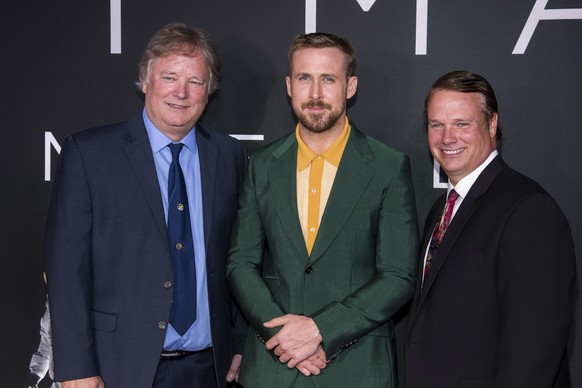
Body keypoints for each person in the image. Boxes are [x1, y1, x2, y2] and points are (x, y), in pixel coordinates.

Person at [45, 22, 247, 388]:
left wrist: (241, 342)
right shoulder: (89, 154)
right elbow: (66, 270)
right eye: (169, 77)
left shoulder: (230, 155)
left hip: (209, 370)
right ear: (145, 80)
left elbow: (238, 257)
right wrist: (75, 367)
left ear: (209, 91)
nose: (181, 93)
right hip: (118, 366)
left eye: (195, 82)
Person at [226, 32, 419, 388]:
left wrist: (320, 329)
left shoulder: (387, 167)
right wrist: (285, 337)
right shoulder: (262, 165)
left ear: (350, 86)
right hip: (273, 367)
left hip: (357, 367)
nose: (315, 93)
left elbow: (398, 275)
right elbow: (240, 262)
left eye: (328, 79)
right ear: (289, 85)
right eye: (305, 78)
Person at [405, 70, 576, 387]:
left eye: (461, 124)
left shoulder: (529, 210)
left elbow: (534, 349)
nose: (447, 137)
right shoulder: (440, 211)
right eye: (436, 125)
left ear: (492, 124)